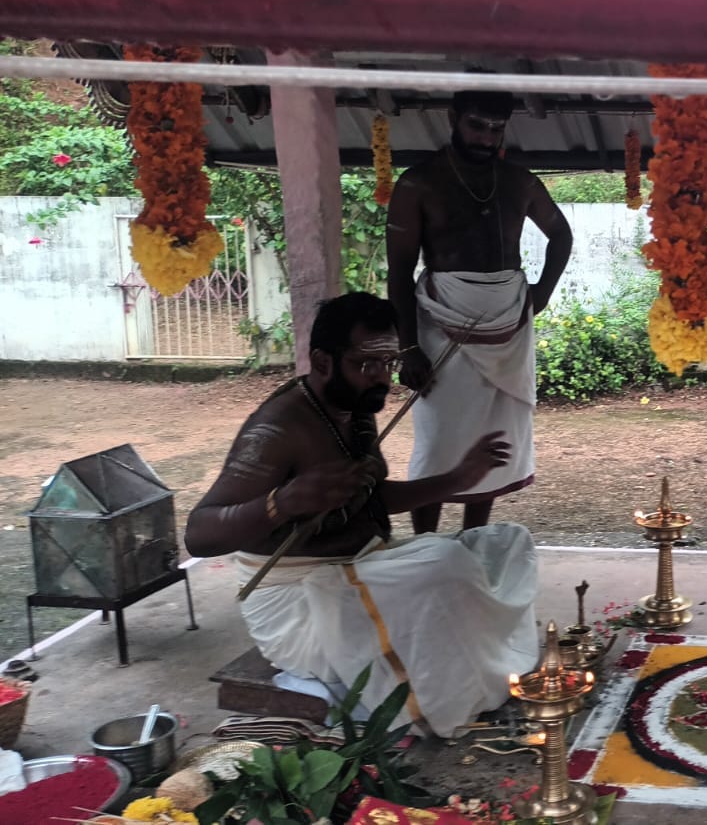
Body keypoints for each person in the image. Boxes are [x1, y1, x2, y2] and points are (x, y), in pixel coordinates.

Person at [186, 292, 544, 737]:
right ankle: (444, 690)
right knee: (442, 565)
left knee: (507, 544)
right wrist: (283, 502)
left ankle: (462, 665)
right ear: (321, 361)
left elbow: (371, 499)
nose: (381, 378)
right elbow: (198, 535)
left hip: (365, 568)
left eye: (389, 363)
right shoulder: (277, 430)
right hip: (302, 604)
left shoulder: (355, 409)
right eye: (366, 364)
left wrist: (458, 477)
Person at [386, 90, 574, 533]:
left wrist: (541, 293)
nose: (486, 137)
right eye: (476, 125)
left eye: (496, 128)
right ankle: (426, 546)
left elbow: (561, 235)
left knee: (493, 440)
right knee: (439, 440)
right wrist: (408, 346)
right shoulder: (418, 182)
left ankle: (473, 542)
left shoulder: (519, 180)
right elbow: (398, 270)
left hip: (509, 319)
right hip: (439, 320)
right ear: (453, 117)